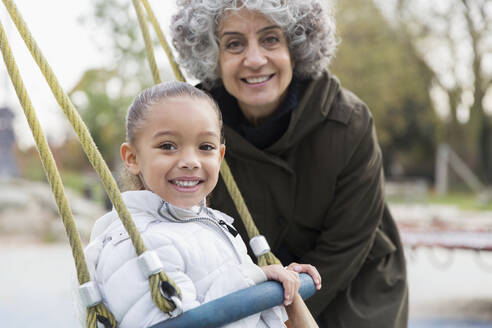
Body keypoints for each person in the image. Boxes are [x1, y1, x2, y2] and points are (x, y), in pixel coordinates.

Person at [170, 0, 408, 327]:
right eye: (234, 44)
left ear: (297, 46)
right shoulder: (195, 128)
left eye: (270, 39)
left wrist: (279, 314)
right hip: (247, 293)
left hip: (350, 289)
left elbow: (346, 244)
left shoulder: (348, 122)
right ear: (212, 55)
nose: (254, 60)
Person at [84, 81, 322, 328]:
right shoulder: (136, 245)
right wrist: (256, 277)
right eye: (168, 146)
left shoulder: (211, 222)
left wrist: (280, 284)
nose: (190, 161)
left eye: (205, 147)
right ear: (132, 159)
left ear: (219, 156)